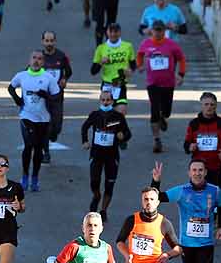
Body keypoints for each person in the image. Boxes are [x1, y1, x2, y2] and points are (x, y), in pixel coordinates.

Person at [9, 49, 63, 192]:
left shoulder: (48, 78)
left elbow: (57, 97)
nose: (36, 61)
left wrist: (46, 96)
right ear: (29, 60)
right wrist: (17, 100)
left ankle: (35, 177)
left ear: (43, 62)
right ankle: (25, 176)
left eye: (39, 58)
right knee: (29, 145)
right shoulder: (22, 76)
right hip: (26, 116)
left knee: (38, 148)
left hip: (44, 119)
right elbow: (11, 87)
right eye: (34, 58)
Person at [135, 20, 187, 153]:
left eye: (160, 30)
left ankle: (163, 116)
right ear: (151, 30)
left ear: (165, 31)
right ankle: (157, 140)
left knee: (167, 110)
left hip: (168, 83)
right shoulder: (146, 43)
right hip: (152, 83)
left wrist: (180, 74)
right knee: (154, 109)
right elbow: (140, 54)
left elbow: (181, 58)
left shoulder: (171, 45)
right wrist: (140, 65)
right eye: (156, 30)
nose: (158, 33)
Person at [79, 91, 131, 221]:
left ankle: (103, 210)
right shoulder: (95, 115)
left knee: (109, 184)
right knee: (94, 181)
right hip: (96, 154)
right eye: (103, 100)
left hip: (112, 156)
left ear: (112, 101)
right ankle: (96, 195)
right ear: (99, 101)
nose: (105, 102)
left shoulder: (118, 117)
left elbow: (128, 133)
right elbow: (84, 127)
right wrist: (85, 141)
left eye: (108, 100)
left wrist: (122, 136)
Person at [184, 92, 221, 187]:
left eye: (212, 104)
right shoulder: (194, 124)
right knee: (197, 196)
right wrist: (190, 147)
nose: (209, 107)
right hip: (198, 168)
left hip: (215, 166)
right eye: (206, 104)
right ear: (201, 106)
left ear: (216, 106)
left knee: (214, 196)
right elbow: (186, 144)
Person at [40, 30, 74, 164]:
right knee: (45, 126)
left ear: (55, 41)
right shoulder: (39, 57)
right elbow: (29, 71)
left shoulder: (61, 56)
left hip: (57, 96)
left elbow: (69, 71)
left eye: (51, 40)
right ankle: (46, 153)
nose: (49, 43)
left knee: (57, 126)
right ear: (43, 42)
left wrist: (64, 79)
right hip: (43, 98)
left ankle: (53, 134)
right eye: (46, 41)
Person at [89, 21, 135, 112]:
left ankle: (117, 126)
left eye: (116, 32)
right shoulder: (101, 48)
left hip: (120, 84)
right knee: (107, 115)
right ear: (107, 32)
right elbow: (93, 71)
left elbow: (133, 64)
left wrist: (130, 71)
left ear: (120, 32)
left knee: (121, 112)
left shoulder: (128, 46)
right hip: (107, 85)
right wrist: (101, 63)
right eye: (111, 31)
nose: (113, 34)